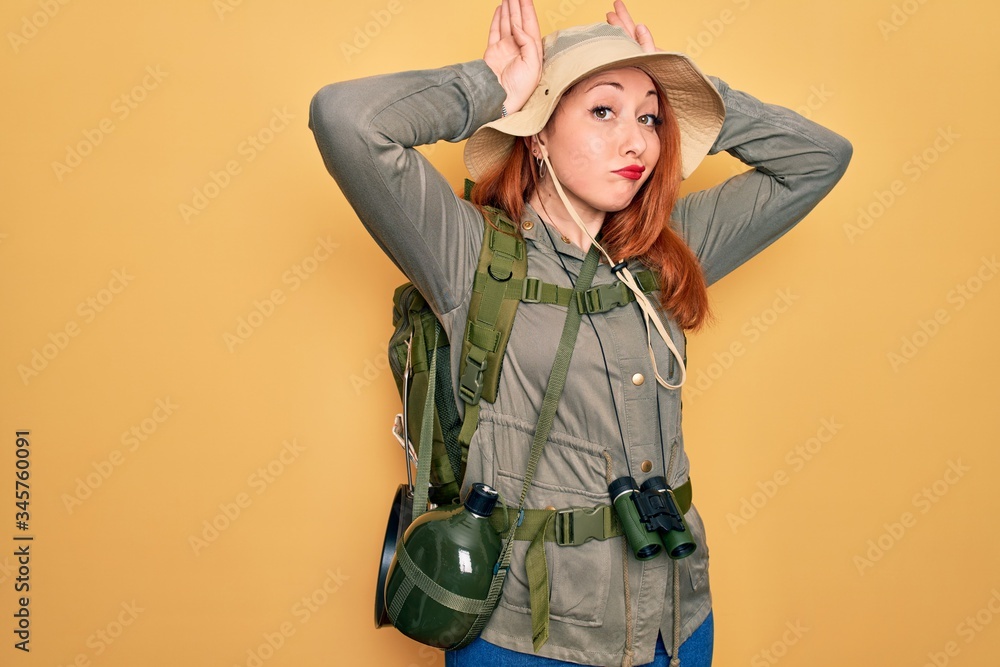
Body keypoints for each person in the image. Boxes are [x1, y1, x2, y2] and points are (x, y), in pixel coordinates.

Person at [309, 1, 852, 665]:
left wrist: (691, 92)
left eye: (650, 118)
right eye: (604, 109)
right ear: (537, 132)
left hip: (674, 624)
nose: (638, 142)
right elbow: (345, 119)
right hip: (526, 637)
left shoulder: (668, 254)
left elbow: (820, 158)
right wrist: (492, 88)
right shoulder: (464, 253)